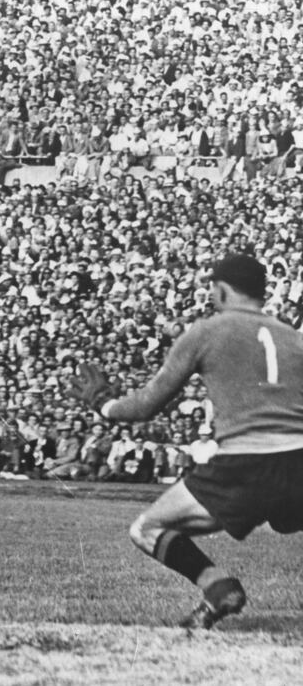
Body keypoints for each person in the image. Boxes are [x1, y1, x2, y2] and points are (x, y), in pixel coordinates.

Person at [69, 253, 303, 629]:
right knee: (286, 513)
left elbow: (146, 405)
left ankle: (218, 585)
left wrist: (104, 403)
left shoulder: (207, 331)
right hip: (298, 460)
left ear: (222, 290)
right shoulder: (293, 336)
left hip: (246, 463)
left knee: (147, 529)